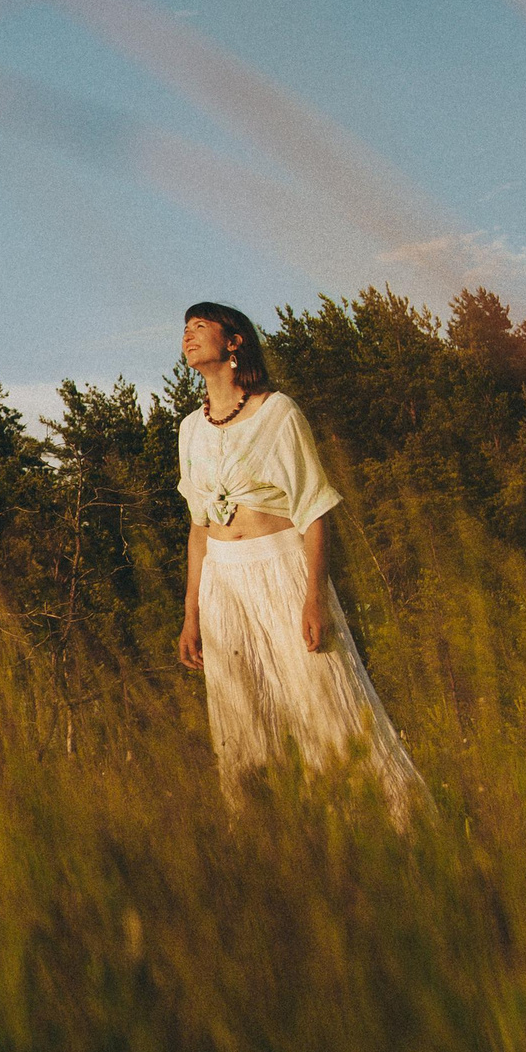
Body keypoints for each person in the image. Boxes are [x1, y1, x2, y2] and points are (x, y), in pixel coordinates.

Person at [173, 302, 423, 824]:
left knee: (324, 701)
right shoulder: (189, 430)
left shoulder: (278, 412)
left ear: (235, 341)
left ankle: (387, 828)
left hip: (281, 570)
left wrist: (313, 597)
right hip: (223, 581)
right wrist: (191, 614)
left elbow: (314, 509)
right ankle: (273, 842)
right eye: (185, 329)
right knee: (242, 718)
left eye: (201, 326)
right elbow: (198, 526)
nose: (189, 335)